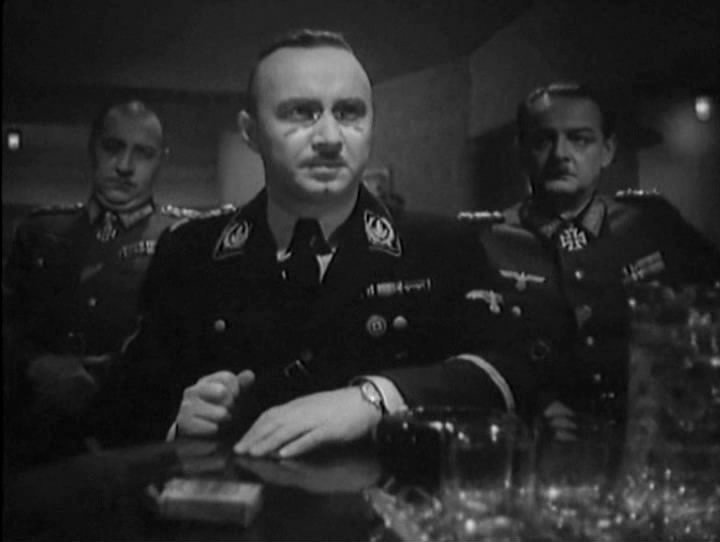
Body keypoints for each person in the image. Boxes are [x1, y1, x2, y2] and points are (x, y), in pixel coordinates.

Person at [103, 29, 507, 455]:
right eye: (301, 113)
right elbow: (119, 408)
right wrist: (178, 423)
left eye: (349, 113)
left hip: (389, 492)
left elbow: (514, 370)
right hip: (233, 492)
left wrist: (379, 398)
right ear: (251, 132)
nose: (330, 138)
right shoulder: (191, 253)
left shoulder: (441, 248)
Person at [453, 82, 720, 426]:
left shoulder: (651, 224)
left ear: (607, 151)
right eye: (543, 140)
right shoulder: (486, 240)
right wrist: (529, 405)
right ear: (521, 151)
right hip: (537, 438)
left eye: (580, 140)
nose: (561, 154)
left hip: (645, 430)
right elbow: (465, 353)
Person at [3, 99, 205, 463]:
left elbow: (190, 345)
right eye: (113, 147)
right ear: (92, 147)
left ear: (161, 160)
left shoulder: (185, 240)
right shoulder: (39, 232)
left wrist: (107, 378)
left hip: (137, 442)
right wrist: (35, 365)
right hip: (37, 440)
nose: (125, 166)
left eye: (143, 153)